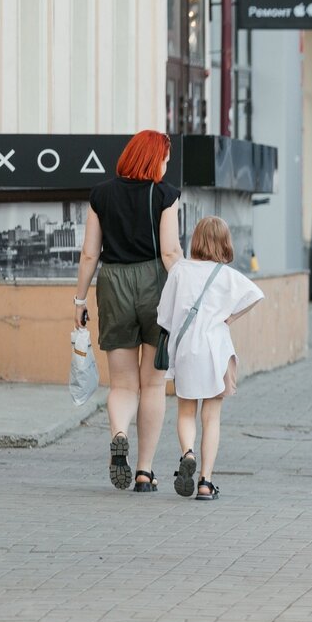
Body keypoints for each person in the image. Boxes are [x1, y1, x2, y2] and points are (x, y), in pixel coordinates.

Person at [75, 130, 182, 493]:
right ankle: (144, 472)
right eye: (165, 159)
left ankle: (119, 433)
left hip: (114, 283)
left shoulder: (101, 194)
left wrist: (79, 301)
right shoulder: (165, 194)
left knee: (122, 384)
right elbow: (170, 252)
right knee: (152, 384)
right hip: (155, 285)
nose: (166, 166)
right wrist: (188, 291)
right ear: (154, 159)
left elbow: (89, 253)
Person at [157, 217, 264, 501]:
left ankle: (188, 453)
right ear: (225, 242)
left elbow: (163, 316)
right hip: (217, 351)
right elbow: (255, 294)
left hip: (186, 351)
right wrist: (231, 317)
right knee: (212, 417)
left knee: (185, 411)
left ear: (196, 239)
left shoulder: (179, 270)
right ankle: (205, 482)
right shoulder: (226, 275)